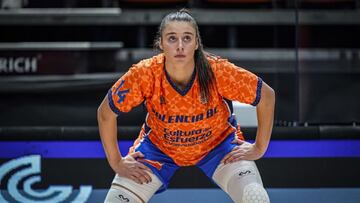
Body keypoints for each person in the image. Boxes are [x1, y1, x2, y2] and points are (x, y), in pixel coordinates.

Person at [97, 9, 275, 203]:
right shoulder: (144, 74)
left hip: (219, 146)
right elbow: (105, 113)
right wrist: (116, 162)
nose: (180, 46)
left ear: (197, 43)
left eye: (187, 38)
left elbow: (266, 96)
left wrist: (259, 147)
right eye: (172, 38)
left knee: (255, 198)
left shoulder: (218, 71)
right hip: (158, 149)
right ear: (161, 43)